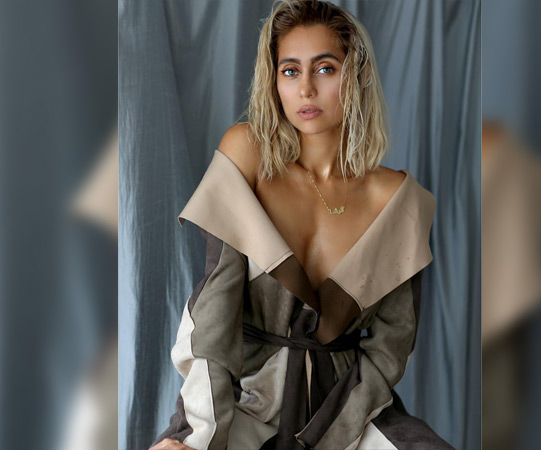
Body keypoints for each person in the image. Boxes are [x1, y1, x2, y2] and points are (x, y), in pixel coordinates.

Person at [150, 1, 451, 449]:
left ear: (357, 75)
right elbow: (214, 305)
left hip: (348, 410)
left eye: (325, 69)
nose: (306, 89)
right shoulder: (246, 155)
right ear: (274, 82)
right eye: (290, 71)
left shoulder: (399, 200)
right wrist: (197, 431)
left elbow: (389, 349)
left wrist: (330, 435)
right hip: (246, 400)